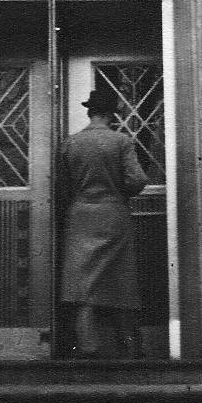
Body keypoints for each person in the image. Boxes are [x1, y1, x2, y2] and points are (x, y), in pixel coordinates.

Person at [59, 89, 148, 359]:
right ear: (112, 115)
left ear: (90, 112)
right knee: (121, 281)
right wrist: (119, 191)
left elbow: (62, 186)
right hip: (112, 214)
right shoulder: (121, 142)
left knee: (82, 283)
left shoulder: (70, 143)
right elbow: (137, 180)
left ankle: (88, 347)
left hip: (81, 216)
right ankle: (129, 346)